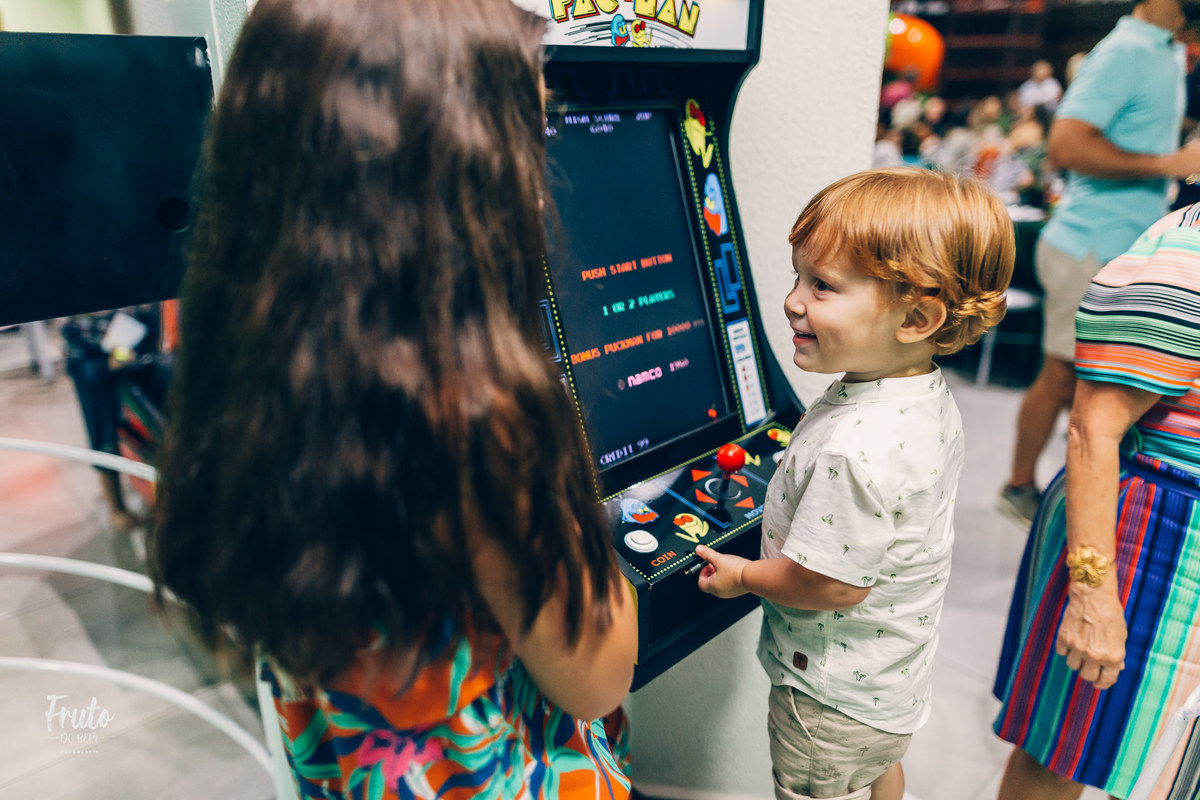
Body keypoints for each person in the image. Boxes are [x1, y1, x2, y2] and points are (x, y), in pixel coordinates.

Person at [146, 1, 637, 798]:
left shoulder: (253, 365)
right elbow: (598, 678)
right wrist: (574, 488)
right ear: (459, 175)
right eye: (528, 134)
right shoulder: (476, 421)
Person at [694, 167, 1016, 800]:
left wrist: (740, 577)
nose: (792, 300)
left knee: (817, 789)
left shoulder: (854, 447)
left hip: (829, 697)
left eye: (822, 285)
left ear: (917, 318)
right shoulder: (920, 394)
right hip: (886, 682)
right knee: (877, 770)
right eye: (797, 276)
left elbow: (831, 584)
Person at [992, 203, 1200, 799]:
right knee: (1070, 744)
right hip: (1144, 537)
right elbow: (1092, 428)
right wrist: (1093, 592)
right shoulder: (1187, 258)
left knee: (1169, 758)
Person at [998, 0, 1200, 528]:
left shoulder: (1167, 51)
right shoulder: (1125, 51)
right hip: (1088, 243)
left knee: (1089, 382)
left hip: (1117, 244)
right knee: (1068, 376)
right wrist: (1170, 165)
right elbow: (1064, 145)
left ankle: (1074, 496)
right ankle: (1019, 486)